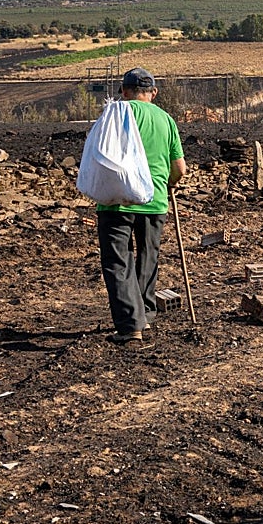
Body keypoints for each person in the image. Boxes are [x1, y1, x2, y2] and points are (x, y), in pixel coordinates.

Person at [97, 67, 186, 346]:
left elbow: (99, 156)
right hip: (155, 201)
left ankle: (130, 326)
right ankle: (146, 315)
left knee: (118, 261)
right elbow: (180, 169)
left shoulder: (115, 115)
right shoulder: (166, 119)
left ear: (123, 91)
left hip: (117, 203)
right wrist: (168, 183)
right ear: (154, 93)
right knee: (148, 257)